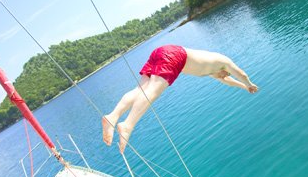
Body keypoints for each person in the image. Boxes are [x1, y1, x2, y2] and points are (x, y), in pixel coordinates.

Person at [102, 44, 259, 153]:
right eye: (225, 74)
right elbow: (240, 73)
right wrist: (249, 83)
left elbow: (229, 82)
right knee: (153, 91)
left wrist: (245, 88)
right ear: (225, 70)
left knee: (140, 89)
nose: (224, 77)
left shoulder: (213, 69)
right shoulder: (224, 62)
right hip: (175, 56)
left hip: (161, 52)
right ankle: (128, 125)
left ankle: (112, 117)